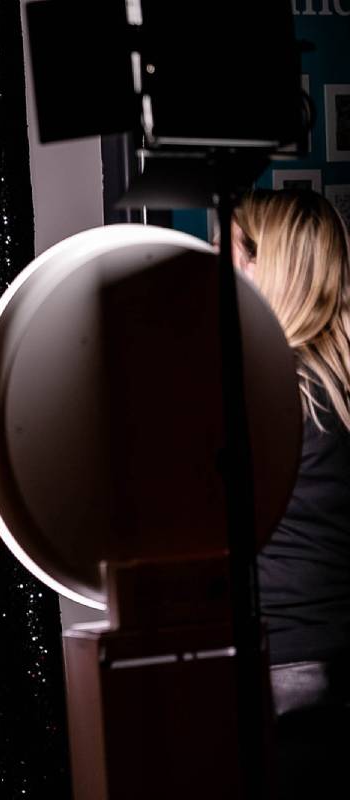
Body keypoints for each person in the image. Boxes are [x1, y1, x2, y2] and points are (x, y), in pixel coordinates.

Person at [231, 189, 350, 799]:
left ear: (265, 267)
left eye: (234, 256)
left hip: (283, 667)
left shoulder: (271, 386)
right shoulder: (333, 378)